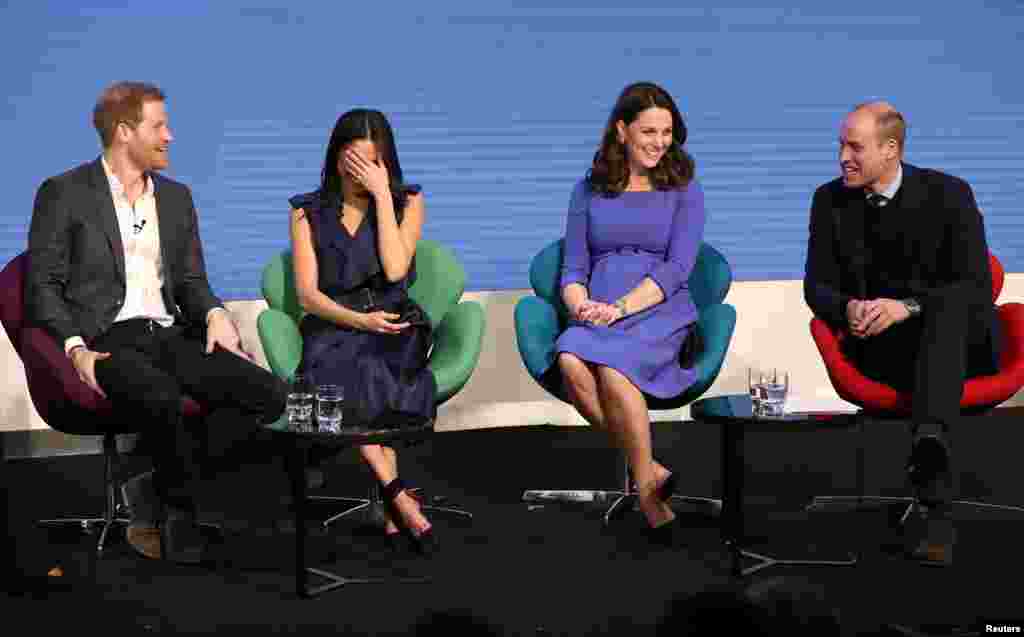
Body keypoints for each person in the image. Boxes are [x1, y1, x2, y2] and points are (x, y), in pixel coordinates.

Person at [26, 81, 287, 564]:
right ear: (125, 132)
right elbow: (41, 285)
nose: (170, 136)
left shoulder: (176, 198)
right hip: (107, 339)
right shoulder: (64, 192)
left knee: (269, 395)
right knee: (161, 399)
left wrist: (214, 314)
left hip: (167, 333)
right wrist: (75, 347)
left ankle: (146, 483)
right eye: (158, 126)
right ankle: (174, 519)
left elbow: (191, 279)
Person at [804, 101, 1001, 566]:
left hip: (957, 345)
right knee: (933, 325)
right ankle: (930, 459)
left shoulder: (949, 194)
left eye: (855, 147)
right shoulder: (829, 200)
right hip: (884, 351)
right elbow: (816, 286)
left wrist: (905, 307)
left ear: (890, 149)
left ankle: (930, 466)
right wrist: (848, 307)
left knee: (946, 310)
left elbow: (976, 286)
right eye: (841, 146)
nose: (842, 158)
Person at [554, 81, 706, 544]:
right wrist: (580, 304)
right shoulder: (588, 189)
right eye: (648, 132)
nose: (660, 142)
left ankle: (649, 502)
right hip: (597, 308)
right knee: (569, 361)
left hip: (657, 307)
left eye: (667, 132)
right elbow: (573, 267)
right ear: (621, 131)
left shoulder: (684, 187)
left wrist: (620, 308)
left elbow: (679, 268)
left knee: (616, 372)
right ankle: (651, 471)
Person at [288, 109, 438, 554]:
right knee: (341, 369)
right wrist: (357, 321)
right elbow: (308, 296)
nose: (360, 170)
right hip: (335, 321)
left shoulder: (409, 201)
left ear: (385, 163)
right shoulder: (306, 212)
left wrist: (382, 197)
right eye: (352, 158)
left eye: (371, 161)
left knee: (370, 365)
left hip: (392, 320)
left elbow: (394, 268)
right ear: (335, 158)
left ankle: (393, 499)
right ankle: (397, 495)